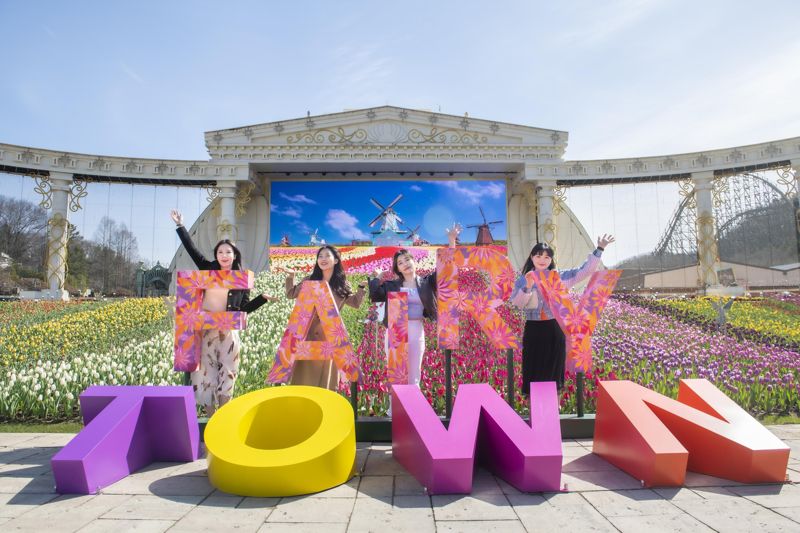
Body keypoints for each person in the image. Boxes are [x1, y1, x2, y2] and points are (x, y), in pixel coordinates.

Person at [170, 209, 276, 416]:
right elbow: (192, 250)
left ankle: (223, 417)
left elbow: (243, 309)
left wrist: (261, 299)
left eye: (228, 252)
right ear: (216, 256)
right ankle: (211, 417)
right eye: (220, 252)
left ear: (234, 255)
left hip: (228, 333)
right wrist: (180, 225)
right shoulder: (208, 269)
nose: (224, 256)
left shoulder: (241, 280)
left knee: (229, 372)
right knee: (204, 374)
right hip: (206, 331)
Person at [511, 235, 615, 394]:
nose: (542, 260)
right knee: (533, 368)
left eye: (547, 257)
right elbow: (518, 303)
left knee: (554, 370)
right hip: (533, 329)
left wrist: (599, 249)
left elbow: (584, 271)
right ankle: (534, 405)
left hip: (554, 328)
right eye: (538, 256)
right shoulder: (523, 280)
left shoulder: (558, 277)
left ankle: (555, 404)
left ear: (551, 259)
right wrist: (528, 286)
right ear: (532, 257)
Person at [368, 224, 461, 388]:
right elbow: (375, 295)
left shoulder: (426, 282)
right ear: (397, 269)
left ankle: (413, 403)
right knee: (396, 374)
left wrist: (452, 241)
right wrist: (376, 278)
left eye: (407, 259)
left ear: (413, 260)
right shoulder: (391, 285)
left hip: (416, 329)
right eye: (400, 262)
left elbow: (446, 270)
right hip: (395, 331)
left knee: (414, 373)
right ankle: (395, 404)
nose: (405, 263)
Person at [285, 245, 366, 390]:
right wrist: (291, 277)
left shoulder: (342, 284)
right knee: (305, 378)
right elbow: (291, 294)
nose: (323, 259)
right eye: (320, 256)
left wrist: (361, 288)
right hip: (308, 334)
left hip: (330, 335)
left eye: (327, 256)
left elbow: (355, 303)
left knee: (326, 380)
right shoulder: (310, 280)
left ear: (336, 260)